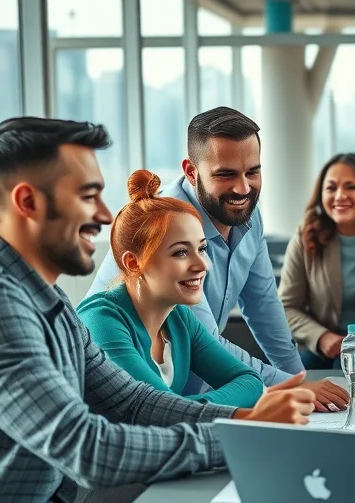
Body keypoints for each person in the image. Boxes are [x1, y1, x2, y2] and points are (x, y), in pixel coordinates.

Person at [0, 118, 314, 503]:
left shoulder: (47, 303)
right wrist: (243, 435)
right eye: (88, 196)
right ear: (27, 202)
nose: (105, 215)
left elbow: (138, 404)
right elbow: (88, 450)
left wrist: (247, 420)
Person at [88, 106, 306, 389]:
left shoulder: (245, 212)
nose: (242, 188)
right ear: (191, 172)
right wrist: (291, 387)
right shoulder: (165, 223)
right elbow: (208, 344)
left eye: (252, 172)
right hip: (132, 391)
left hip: (188, 391)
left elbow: (263, 303)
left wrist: (299, 382)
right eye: (226, 174)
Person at [76, 170, 302, 409]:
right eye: (181, 252)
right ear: (133, 263)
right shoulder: (100, 321)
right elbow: (158, 410)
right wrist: (184, 408)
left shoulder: (179, 317)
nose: (203, 265)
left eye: (202, 249)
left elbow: (250, 382)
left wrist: (186, 407)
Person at [279, 153, 355, 370]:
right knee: (291, 379)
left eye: (351, 187)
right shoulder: (306, 236)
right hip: (325, 349)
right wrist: (322, 337)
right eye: (331, 188)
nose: (339, 196)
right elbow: (287, 306)